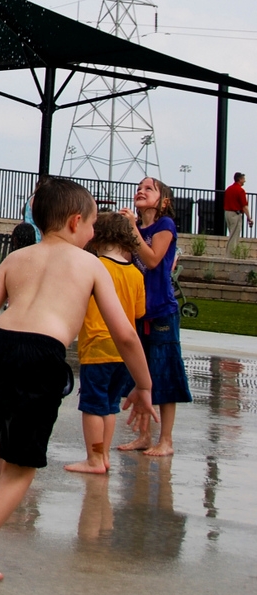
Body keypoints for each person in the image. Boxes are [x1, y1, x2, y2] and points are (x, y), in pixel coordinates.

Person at [0, 177, 155, 581]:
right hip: (40, 355)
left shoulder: (17, 258)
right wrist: (143, 386)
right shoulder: (90, 264)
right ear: (76, 222)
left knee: (3, 440)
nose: (93, 234)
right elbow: (124, 333)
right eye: (92, 225)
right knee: (21, 467)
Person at [65, 212, 146, 475]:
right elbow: (139, 312)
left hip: (97, 347)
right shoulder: (135, 274)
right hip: (124, 353)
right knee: (110, 406)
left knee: (91, 406)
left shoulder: (94, 267)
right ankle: (105, 456)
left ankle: (93, 459)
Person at [117, 176, 193, 457]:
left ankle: (166, 440)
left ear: (164, 201)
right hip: (138, 311)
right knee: (141, 375)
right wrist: (125, 230)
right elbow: (126, 259)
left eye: (149, 188)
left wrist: (132, 230)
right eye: (139, 187)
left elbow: (151, 259)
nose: (141, 190)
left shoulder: (165, 226)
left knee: (164, 374)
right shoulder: (135, 228)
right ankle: (144, 436)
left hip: (162, 311)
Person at [223, 171, 252, 252]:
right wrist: (249, 218)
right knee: (234, 236)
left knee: (232, 233)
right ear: (239, 179)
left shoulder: (229, 189)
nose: (244, 181)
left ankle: (231, 253)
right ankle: (231, 255)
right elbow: (244, 206)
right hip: (235, 214)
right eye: (243, 179)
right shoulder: (240, 190)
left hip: (227, 213)